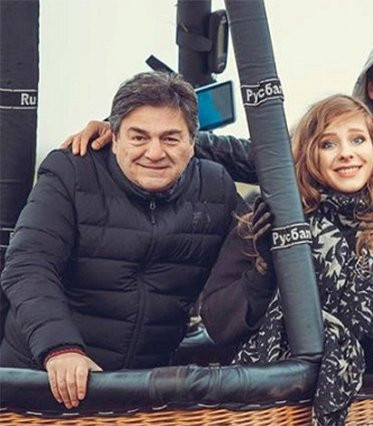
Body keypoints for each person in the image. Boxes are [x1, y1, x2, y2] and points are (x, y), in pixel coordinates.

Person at [62, 24, 373, 378]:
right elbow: (243, 153)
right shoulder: (314, 166)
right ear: (372, 88)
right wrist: (127, 131)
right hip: (321, 360)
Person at [200, 94, 373, 425]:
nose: (346, 152)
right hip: (269, 407)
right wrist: (264, 271)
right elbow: (217, 323)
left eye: (358, 139)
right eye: (328, 144)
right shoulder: (269, 219)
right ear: (309, 154)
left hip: (363, 413)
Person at [0, 72, 240, 410]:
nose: (154, 152)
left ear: (192, 143)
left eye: (170, 139)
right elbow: (28, 264)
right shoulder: (72, 172)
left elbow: (243, 266)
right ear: (114, 138)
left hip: (141, 394)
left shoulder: (216, 188)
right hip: (42, 383)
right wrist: (60, 348)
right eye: (138, 137)